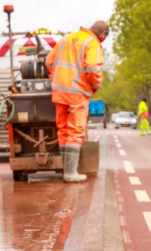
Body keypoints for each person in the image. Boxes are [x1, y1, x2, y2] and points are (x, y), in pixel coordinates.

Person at [45, 21, 109, 182]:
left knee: (63, 129)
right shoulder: (92, 43)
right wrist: (95, 85)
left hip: (59, 91)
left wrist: (60, 77)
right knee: (76, 129)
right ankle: (70, 173)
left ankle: (66, 171)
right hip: (77, 92)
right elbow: (93, 68)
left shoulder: (67, 37)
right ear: (102, 36)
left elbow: (48, 61)